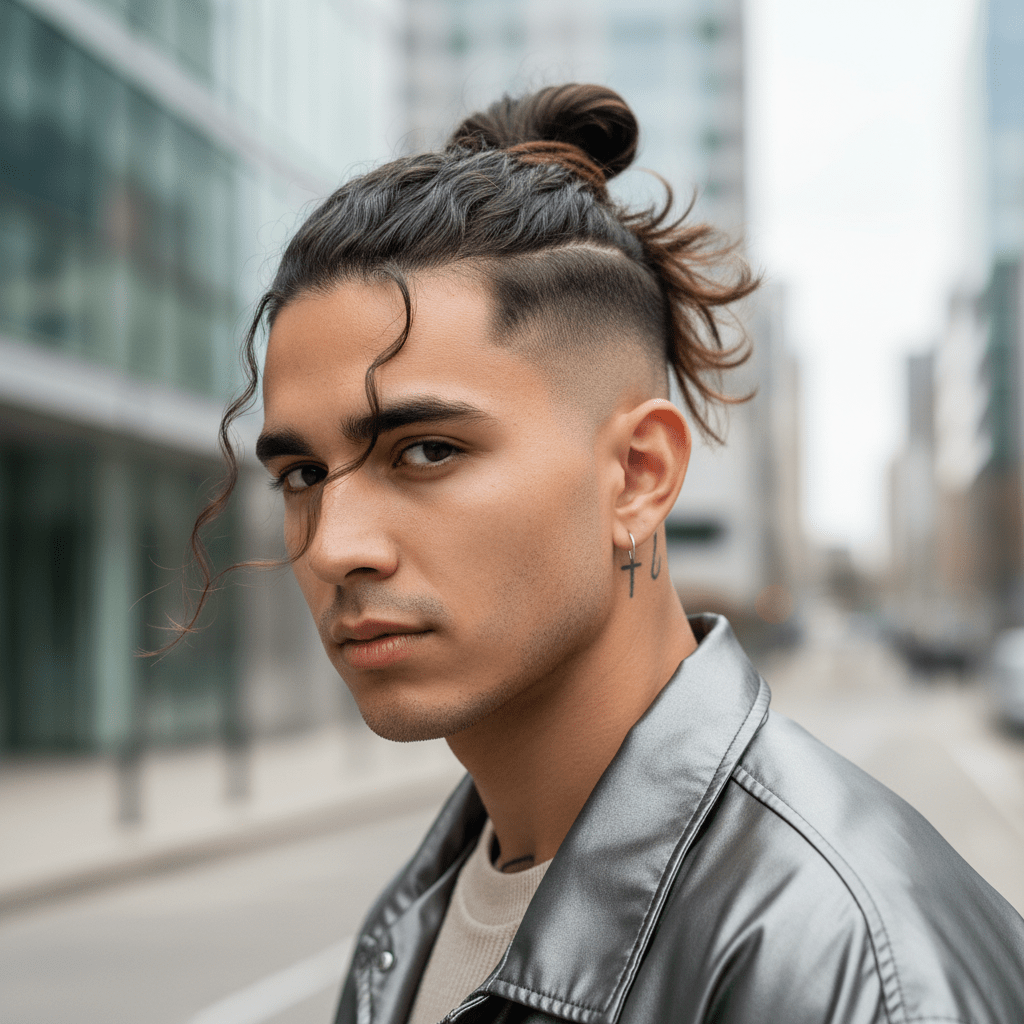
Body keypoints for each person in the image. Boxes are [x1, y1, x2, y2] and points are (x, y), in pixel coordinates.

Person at [190, 84, 1024, 1022]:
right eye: (303, 473)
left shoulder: (845, 966)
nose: (335, 546)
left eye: (425, 452)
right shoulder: (415, 917)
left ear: (636, 475)